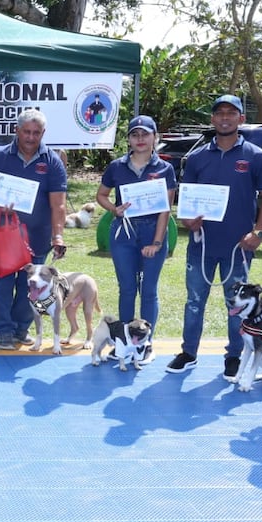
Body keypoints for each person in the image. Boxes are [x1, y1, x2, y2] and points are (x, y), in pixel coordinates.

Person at [165, 95, 262, 378]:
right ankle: (189, 352)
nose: (225, 118)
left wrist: (259, 231)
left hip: (238, 246)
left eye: (231, 113)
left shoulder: (256, 156)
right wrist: (188, 219)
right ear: (212, 119)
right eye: (219, 113)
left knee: (236, 304)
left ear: (241, 119)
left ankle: (234, 356)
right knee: (194, 301)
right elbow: (187, 198)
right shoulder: (197, 157)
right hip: (202, 245)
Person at [0, 108, 68, 349]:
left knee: (32, 285)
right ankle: (4, 331)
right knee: (2, 284)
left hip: (37, 236)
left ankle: (21, 328)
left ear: (43, 133)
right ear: (17, 130)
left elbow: (58, 203)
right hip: (4, 234)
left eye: (36, 133)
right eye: (26, 131)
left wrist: (58, 235)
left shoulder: (53, 161)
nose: (30, 137)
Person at [95, 115, 177, 361]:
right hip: (124, 231)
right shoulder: (117, 167)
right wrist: (113, 209)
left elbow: (166, 209)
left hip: (153, 230)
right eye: (135, 134)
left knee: (149, 290)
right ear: (129, 139)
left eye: (145, 134)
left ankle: (145, 344)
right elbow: (101, 195)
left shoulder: (165, 168)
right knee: (127, 289)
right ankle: (123, 342)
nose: (140, 139)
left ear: (155, 137)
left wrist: (157, 242)